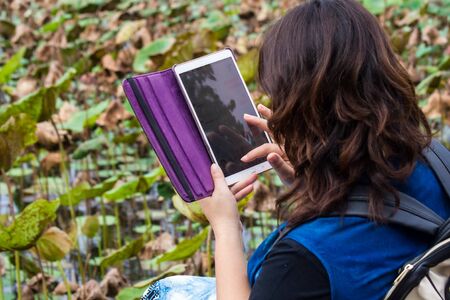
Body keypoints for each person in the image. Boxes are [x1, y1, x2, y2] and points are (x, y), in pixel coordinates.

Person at [142, 0, 450, 299]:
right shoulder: (435, 158)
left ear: (301, 109)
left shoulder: (303, 259)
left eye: (279, 97)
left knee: (163, 292)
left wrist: (226, 226)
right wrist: (314, 180)